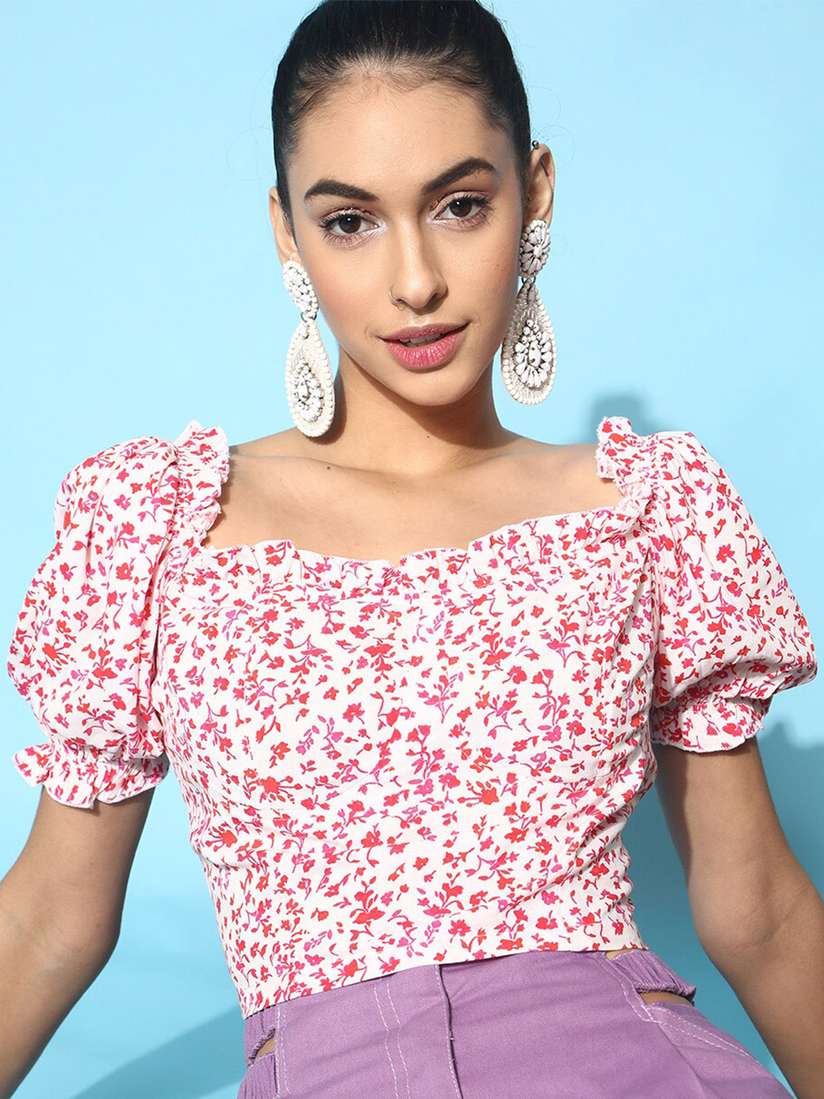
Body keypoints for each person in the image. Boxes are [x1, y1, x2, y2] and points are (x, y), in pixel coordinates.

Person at [1, 2, 820, 1097]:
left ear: (534, 190)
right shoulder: (160, 525)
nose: (416, 280)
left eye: (460, 205)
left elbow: (757, 909)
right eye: (350, 221)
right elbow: (50, 918)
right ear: (286, 232)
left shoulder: (645, 509)